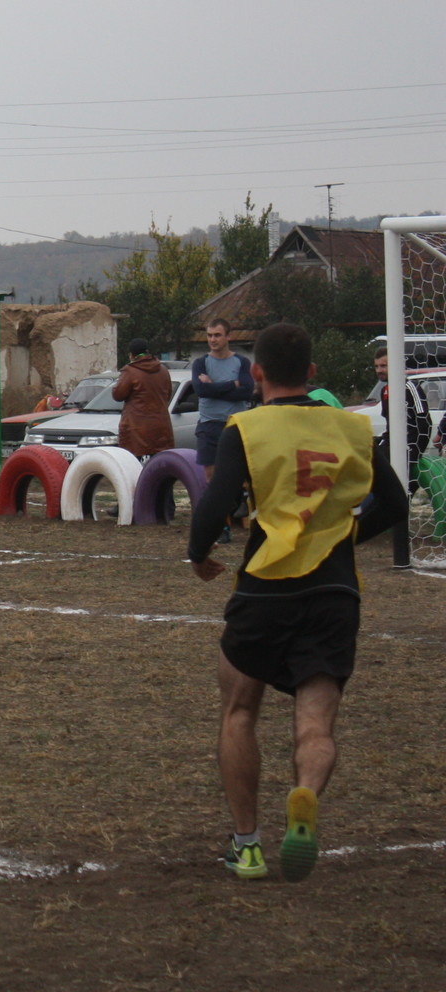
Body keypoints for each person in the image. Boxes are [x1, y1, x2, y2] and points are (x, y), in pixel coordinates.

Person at [186, 323, 406, 884]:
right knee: (317, 725)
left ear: (255, 373)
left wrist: (197, 554)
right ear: (312, 374)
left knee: (239, 711)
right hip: (334, 591)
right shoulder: (352, 427)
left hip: (267, 584)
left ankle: (248, 845)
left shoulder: (246, 427)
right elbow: (395, 503)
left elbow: (214, 505)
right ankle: (304, 794)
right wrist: (347, 537)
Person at [190, 321, 256, 480]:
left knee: (237, 475)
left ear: (228, 336)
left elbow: (246, 392)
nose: (213, 339)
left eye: (217, 335)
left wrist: (213, 386)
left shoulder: (242, 362)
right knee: (211, 475)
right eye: (209, 335)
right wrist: (232, 384)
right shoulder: (201, 363)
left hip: (235, 424)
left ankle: (238, 504)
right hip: (209, 425)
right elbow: (201, 391)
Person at [368, 350, 433, 483]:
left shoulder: (410, 387)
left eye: (383, 366)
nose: (379, 370)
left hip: (407, 448)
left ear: (396, 364)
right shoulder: (385, 391)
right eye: (377, 366)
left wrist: (414, 455)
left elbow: (425, 422)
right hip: (392, 446)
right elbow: (390, 426)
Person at [111, 338, 174, 457]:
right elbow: (168, 395)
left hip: (136, 428)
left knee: (134, 466)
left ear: (131, 354)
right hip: (161, 427)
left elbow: (118, 395)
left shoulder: (130, 371)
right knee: (159, 465)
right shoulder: (163, 370)